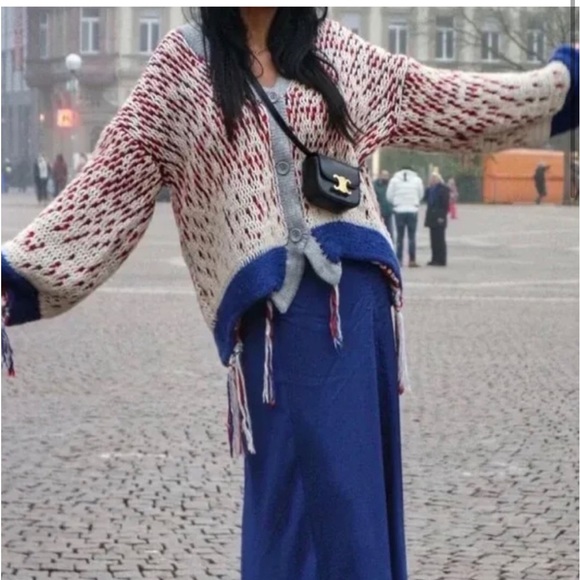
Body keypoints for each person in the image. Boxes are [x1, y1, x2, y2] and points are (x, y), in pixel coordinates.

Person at [1, 8, 577, 580]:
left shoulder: (335, 50)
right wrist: (13, 278)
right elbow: (109, 185)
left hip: (359, 314)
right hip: (276, 331)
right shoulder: (181, 67)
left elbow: (440, 99)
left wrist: (560, 86)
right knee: (293, 508)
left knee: (354, 507)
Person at [387, 166, 424, 267]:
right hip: (412, 210)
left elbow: (389, 196)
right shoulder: (417, 180)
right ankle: (412, 260)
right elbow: (421, 194)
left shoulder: (394, 180)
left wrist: (396, 203)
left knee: (400, 236)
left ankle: (399, 259)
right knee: (412, 236)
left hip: (399, 210)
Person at [425, 172, 451, 266]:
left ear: (438, 179)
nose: (432, 180)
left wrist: (442, 216)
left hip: (440, 217)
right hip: (432, 217)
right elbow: (425, 199)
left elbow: (445, 205)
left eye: (434, 178)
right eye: (431, 179)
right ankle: (434, 258)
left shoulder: (443, 189)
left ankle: (441, 260)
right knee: (433, 239)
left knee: (440, 239)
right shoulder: (430, 190)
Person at [373, 169, 394, 239]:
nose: (385, 177)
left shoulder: (391, 184)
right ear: (380, 175)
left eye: (386, 175)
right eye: (384, 175)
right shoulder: (375, 185)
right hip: (379, 212)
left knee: (390, 231)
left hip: (388, 211)